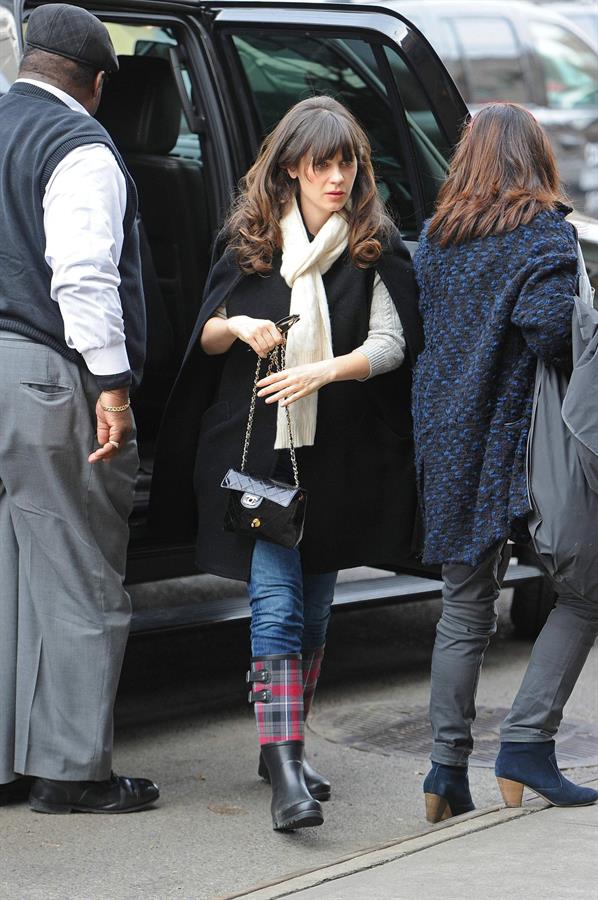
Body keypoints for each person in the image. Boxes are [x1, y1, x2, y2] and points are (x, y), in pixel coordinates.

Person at [151, 95, 422, 831]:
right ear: (292, 168)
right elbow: (202, 337)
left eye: (347, 163)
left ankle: (288, 745)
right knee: (275, 603)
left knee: (317, 608)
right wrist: (239, 325)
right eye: (322, 164)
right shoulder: (250, 243)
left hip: (335, 455)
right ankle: (282, 768)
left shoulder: (372, 244)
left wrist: (322, 372)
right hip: (258, 451)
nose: (337, 177)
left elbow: (393, 346)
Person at [412, 102, 598, 823]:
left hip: (450, 435)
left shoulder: (436, 236)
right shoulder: (542, 236)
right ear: (536, 161)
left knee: (464, 604)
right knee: (584, 591)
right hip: (521, 440)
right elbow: (552, 331)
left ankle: (444, 769)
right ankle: (525, 744)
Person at [0, 5, 158, 813]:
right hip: (48, 377)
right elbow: (84, 277)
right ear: (96, 84)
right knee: (79, 574)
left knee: (7, 577)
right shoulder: (81, 147)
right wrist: (114, 388)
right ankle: (69, 772)